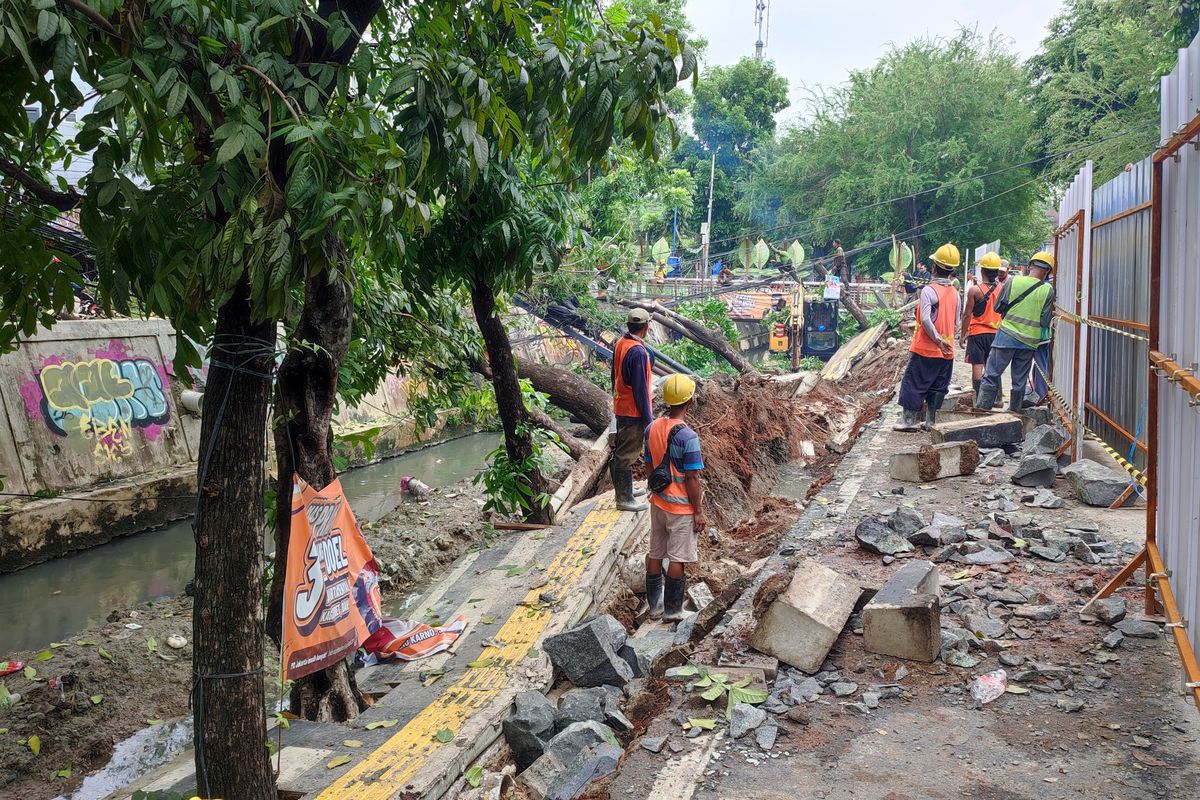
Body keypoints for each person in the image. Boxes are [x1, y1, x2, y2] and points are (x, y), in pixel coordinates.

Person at [643, 373, 706, 621]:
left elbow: (648, 464)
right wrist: (698, 511)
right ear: (689, 401)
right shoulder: (688, 437)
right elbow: (692, 478)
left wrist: (657, 491)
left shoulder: (652, 427)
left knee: (656, 552)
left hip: (658, 503)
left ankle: (655, 606)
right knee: (678, 557)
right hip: (680, 508)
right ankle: (673, 610)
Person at [974, 252, 1056, 410]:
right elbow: (1045, 321)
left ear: (1030, 266)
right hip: (1029, 341)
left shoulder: (1013, 281)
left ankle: (982, 410)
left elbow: (998, 307)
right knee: (1019, 380)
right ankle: (1015, 414)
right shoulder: (1048, 290)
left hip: (1006, 336)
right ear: (1048, 272)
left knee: (992, 374)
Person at [895, 244, 961, 431]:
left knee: (913, 383)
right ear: (952, 271)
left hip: (926, 348)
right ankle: (931, 421)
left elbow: (925, 318)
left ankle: (909, 421)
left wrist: (937, 339)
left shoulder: (929, 291)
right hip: (947, 351)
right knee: (938, 386)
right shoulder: (956, 294)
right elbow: (956, 322)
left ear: (934, 267)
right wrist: (945, 341)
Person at [611, 308, 654, 512]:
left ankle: (625, 491)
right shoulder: (637, 352)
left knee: (622, 451)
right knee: (626, 454)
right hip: (632, 411)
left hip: (621, 404)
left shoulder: (622, 343)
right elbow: (640, 389)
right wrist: (648, 418)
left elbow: (614, 375)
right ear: (645, 327)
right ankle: (624, 498)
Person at [959, 252, 1004, 401]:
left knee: (977, 365)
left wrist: (963, 334)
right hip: (996, 333)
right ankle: (996, 398)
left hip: (977, 333)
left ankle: (979, 398)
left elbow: (967, 314)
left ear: (982, 271)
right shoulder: (1003, 289)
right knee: (993, 366)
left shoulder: (975, 290)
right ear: (997, 272)